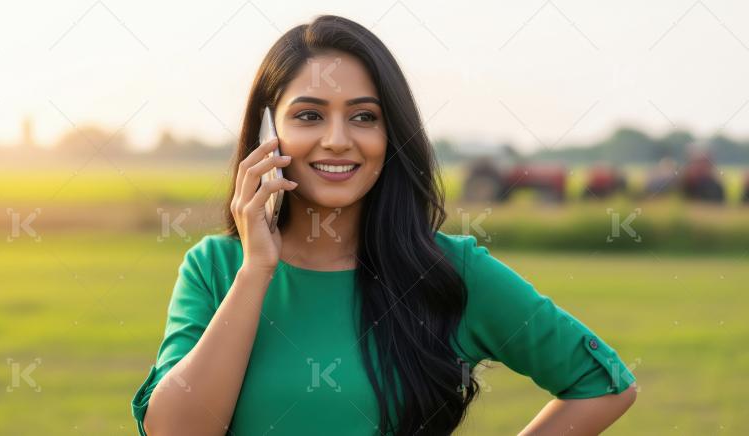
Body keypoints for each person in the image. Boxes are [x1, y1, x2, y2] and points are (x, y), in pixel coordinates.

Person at [131, 14, 637, 436]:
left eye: (364, 117)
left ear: (392, 133)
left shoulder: (447, 270)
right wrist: (257, 269)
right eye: (308, 116)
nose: (336, 140)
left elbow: (602, 384)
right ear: (268, 134)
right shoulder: (216, 269)